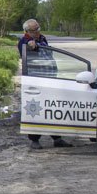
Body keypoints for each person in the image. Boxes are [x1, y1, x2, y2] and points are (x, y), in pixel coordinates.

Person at [19, 18, 71, 149]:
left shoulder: (42, 39)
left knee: (53, 109)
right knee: (35, 110)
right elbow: (25, 47)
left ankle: (57, 138)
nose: (37, 32)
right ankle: (34, 140)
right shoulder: (24, 42)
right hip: (36, 83)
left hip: (50, 80)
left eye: (38, 28)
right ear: (27, 31)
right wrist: (30, 44)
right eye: (34, 30)